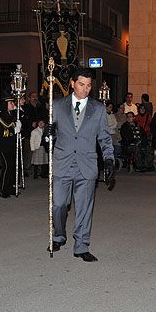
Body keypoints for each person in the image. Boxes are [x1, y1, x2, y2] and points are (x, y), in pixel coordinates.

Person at [47, 67, 115, 262]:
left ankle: (81, 245)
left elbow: (104, 137)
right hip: (63, 163)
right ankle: (59, 235)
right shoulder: (57, 106)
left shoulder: (99, 109)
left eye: (88, 85)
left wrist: (109, 159)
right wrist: (48, 134)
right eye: (81, 84)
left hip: (87, 165)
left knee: (84, 207)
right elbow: (49, 136)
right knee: (59, 204)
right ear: (72, 83)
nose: (85, 89)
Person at [0, 97, 19, 198]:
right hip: (3, 144)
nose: (13, 104)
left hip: (10, 143)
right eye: (10, 103)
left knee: (12, 166)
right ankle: (2, 190)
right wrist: (15, 124)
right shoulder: (0, 114)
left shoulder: (10, 114)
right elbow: (7, 124)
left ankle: (9, 188)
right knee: (7, 166)